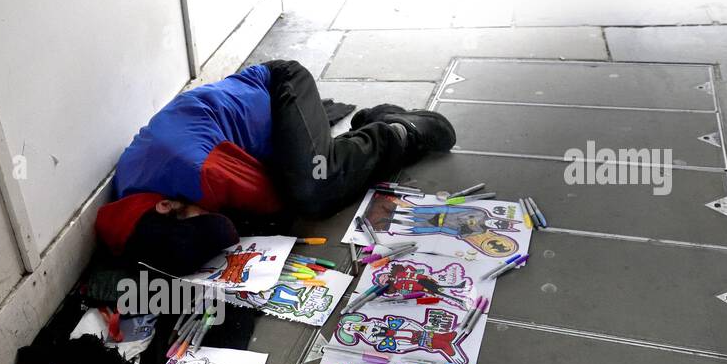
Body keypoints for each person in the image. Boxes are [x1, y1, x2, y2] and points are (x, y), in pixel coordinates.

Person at [95, 59, 456, 274]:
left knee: (314, 189)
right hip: (250, 136)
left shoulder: (201, 174)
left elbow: (275, 203)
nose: (205, 210)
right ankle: (356, 135)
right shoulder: (132, 199)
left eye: (197, 214)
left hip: (281, 87)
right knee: (306, 175)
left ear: (166, 205)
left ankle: (399, 131)